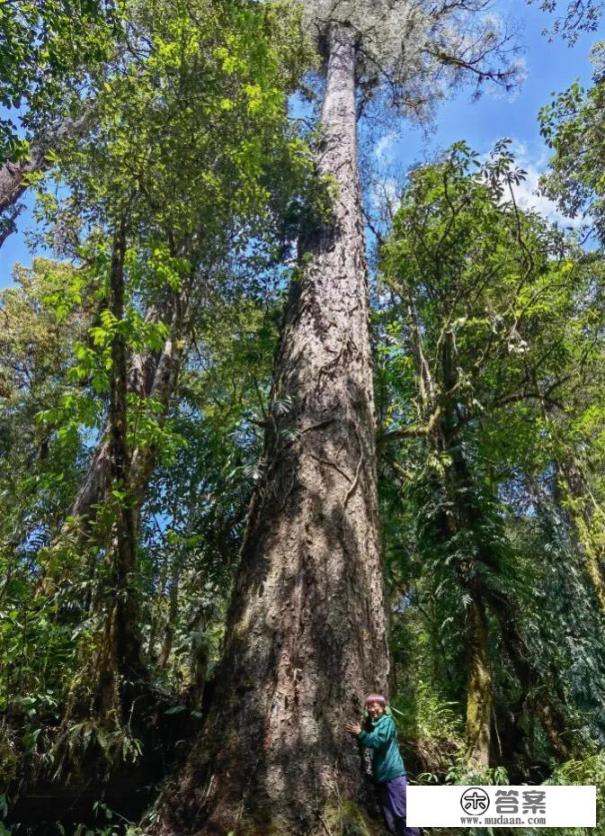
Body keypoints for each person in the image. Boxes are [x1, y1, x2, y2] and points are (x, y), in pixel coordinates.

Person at [345, 693, 421, 836]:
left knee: (403, 814)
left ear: (383, 707)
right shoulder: (373, 724)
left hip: (394, 775)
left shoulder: (387, 722)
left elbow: (377, 742)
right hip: (381, 778)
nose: (372, 710)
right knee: (390, 819)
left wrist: (360, 733)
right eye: (369, 707)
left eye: (375, 706)